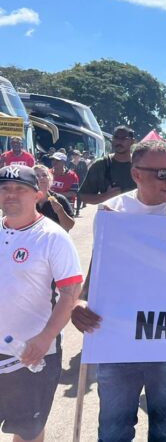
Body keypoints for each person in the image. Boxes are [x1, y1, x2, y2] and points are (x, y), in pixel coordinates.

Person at [71, 140, 166, 441]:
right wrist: (82, 301)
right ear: (136, 174)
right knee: (113, 430)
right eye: (162, 174)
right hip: (119, 336)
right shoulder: (113, 209)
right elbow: (102, 263)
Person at [0, 165, 83, 442]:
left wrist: (46, 337)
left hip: (31, 353)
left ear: (37, 194)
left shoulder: (52, 237)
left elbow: (71, 293)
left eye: (20, 189)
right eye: (4, 189)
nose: (11, 195)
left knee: (27, 432)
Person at [79, 126, 138, 205]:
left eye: (124, 138)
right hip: (109, 215)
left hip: (136, 215)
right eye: (116, 137)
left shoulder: (141, 165)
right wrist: (106, 196)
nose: (119, 141)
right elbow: (83, 197)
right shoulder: (101, 165)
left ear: (132, 141)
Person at [33, 165, 75, 232]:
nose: (41, 178)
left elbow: (69, 226)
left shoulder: (60, 199)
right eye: (37, 176)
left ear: (49, 178)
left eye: (44, 175)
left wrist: (60, 211)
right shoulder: (27, 200)